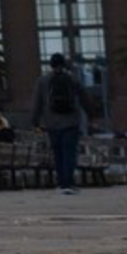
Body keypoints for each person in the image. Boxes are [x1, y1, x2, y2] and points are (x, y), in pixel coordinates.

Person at [35, 46, 98, 191]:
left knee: (58, 154)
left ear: (50, 65)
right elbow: (84, 98)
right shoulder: (72, 78)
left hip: (51, 124)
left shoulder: (42, 81)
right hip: (71, 122)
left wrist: (35, 122)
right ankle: (68, 183)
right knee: (69, 152)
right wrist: (92, 116)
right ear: (63, 64)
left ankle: (62, 183)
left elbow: (36, 103)